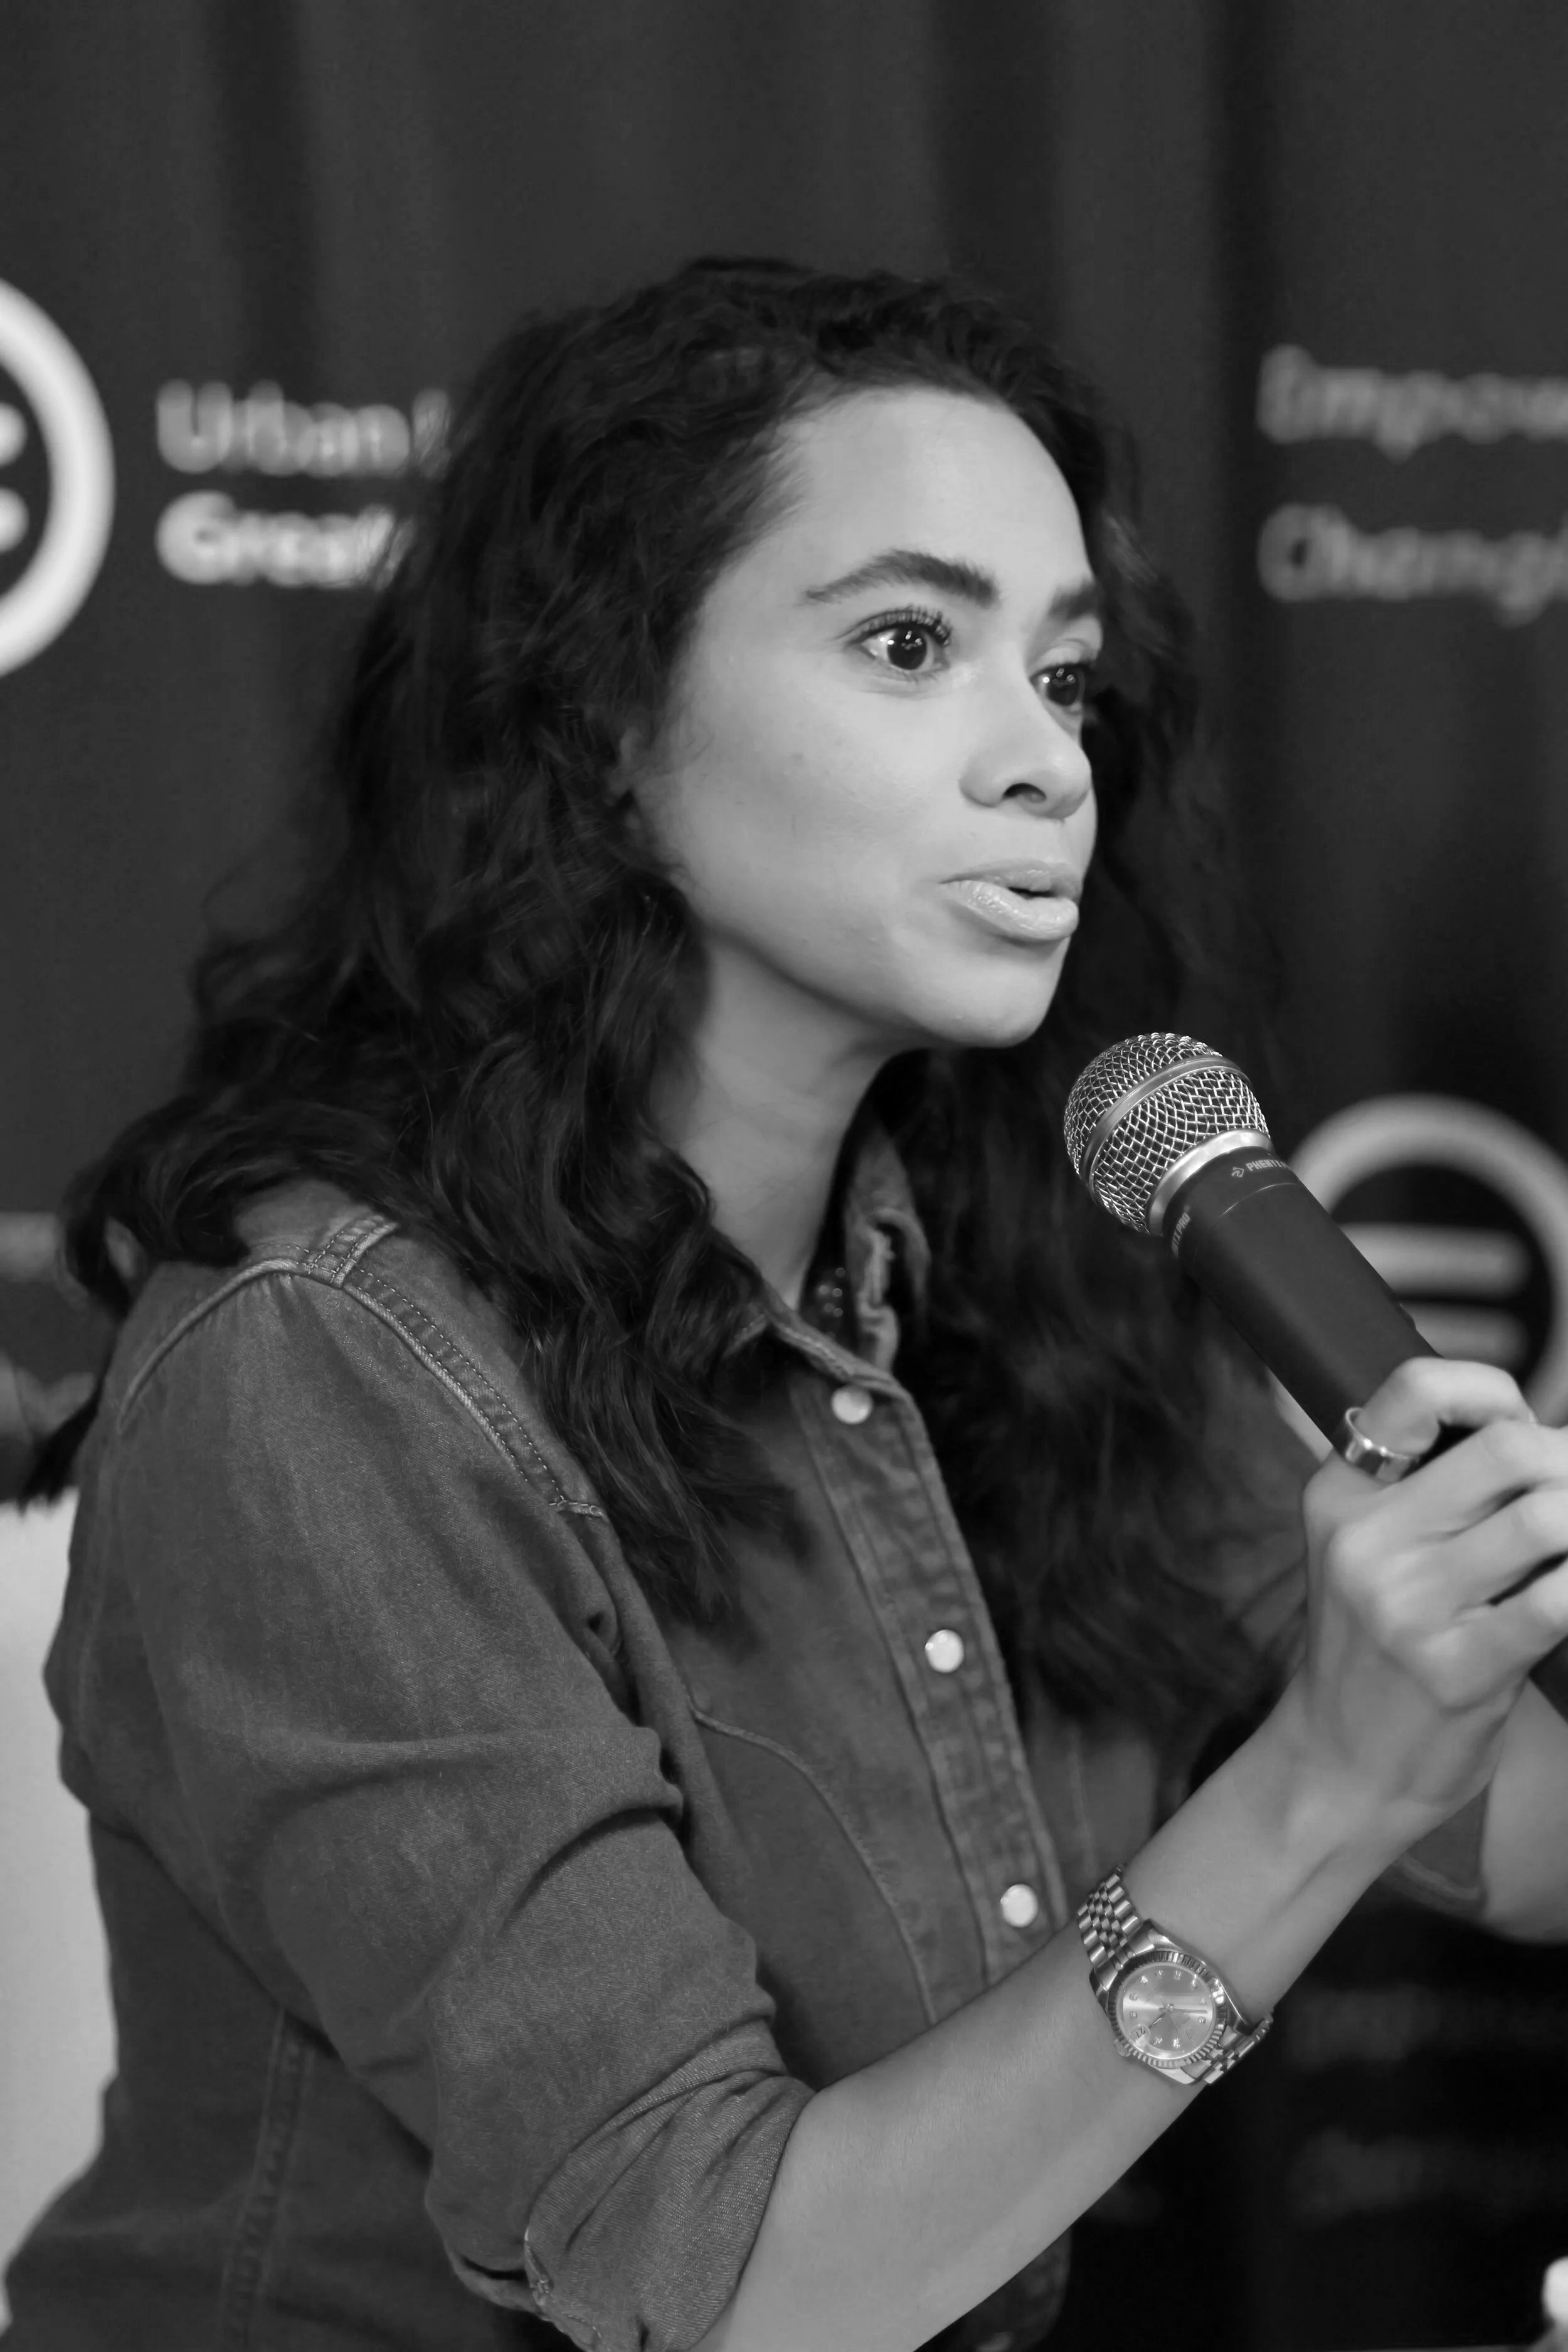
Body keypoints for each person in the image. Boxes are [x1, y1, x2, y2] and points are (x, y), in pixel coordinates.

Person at [6, 257, 1568, 2352]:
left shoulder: (1031, 1262)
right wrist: (1315, 1787)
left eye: (1069, 679)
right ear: (608, 726)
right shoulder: (320, 1358)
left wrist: (1458, 1654)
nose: (1043, 766)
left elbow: (1530, 1838)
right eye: (914, 645)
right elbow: (734, 2285)